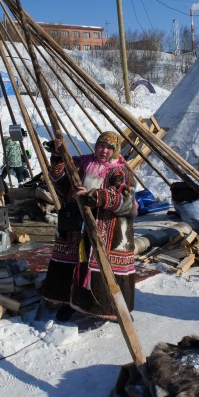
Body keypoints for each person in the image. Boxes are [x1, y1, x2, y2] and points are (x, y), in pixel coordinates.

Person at [41, 132, 137, 322]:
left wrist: (95, 197)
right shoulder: (81, 163)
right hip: (77, 225)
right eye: (101, 146)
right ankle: (69, 302)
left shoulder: (120, 171)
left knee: (102, 268)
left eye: (109, 148)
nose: (104, 151)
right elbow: (61, 184)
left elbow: (125, 200)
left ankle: (112, 309)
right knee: (73, 264)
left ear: (115, 150)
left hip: (108, 229)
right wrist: (59, 157)